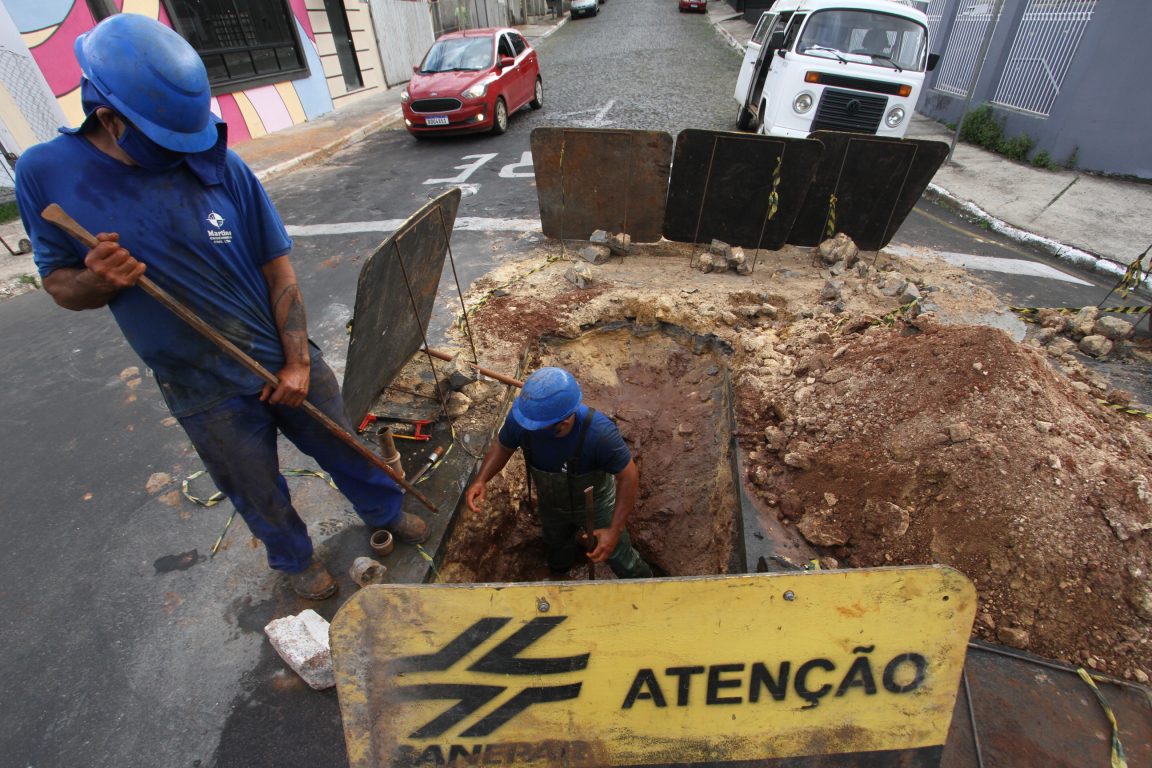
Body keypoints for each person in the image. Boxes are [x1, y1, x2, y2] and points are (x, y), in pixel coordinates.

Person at [14, 13, 426, 600]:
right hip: (198, 385)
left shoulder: (218, 161)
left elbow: (276, 267)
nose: (189, 152)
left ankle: (384, 511)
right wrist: (99, 279)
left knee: (343, 442)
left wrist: (297, 362)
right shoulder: (46, 174)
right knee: (252, 483)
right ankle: (294, 558)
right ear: (110, 119)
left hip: (279, 352)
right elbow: (60, 283)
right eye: (169, 143)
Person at [465, 367, 653, 579]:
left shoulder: (599, 434)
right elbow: (503, 446)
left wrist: (614, 530)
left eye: (536, 427)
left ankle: (645, 586)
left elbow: (628, 476)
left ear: (563, 423)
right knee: (556, 544)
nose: (528, 428)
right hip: (551, 503)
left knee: (619, 554)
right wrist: (481, 480)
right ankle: (559, 575)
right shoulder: (525, 417)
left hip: (597, 504)